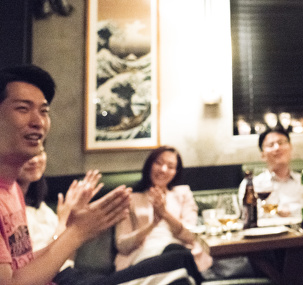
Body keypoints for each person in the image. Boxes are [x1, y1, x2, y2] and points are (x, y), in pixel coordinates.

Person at [0, 63, 189, 285]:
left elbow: (24, 265)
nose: (38, 121)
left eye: (44, 111)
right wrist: (77, 231)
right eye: (23, 109)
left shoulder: (12, 190)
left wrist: (76, 228)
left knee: (180, 266)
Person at [18, 150, 202, 285]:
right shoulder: (15, 211)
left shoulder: (43, 209)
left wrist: (70, 222)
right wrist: (67, 224)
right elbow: (33, 267)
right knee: (181, 260)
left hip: (72, 274)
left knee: (181, 271)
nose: (34, 159)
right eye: (159, 163)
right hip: (62, 279)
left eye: (39, 152)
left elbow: (66, 258)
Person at [115, 146, 211, 274]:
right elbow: (122, 246)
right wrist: (151, 225)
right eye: (158, 163)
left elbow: (191, 236)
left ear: (175, 172)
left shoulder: (183, 194)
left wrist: (164, 213)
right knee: (178, 261)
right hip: (145, 256)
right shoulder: (130, 199)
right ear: (150, 165)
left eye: (170, 167)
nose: (163, 170)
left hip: (179, 253)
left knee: (177, 254)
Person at [239, 127, 301, 219]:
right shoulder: (252, 185)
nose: (277, 148)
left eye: (281, 143)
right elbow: (250, 215)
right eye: (271, 145)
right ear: (262, 154)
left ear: (291, 148)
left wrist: (289, 211)